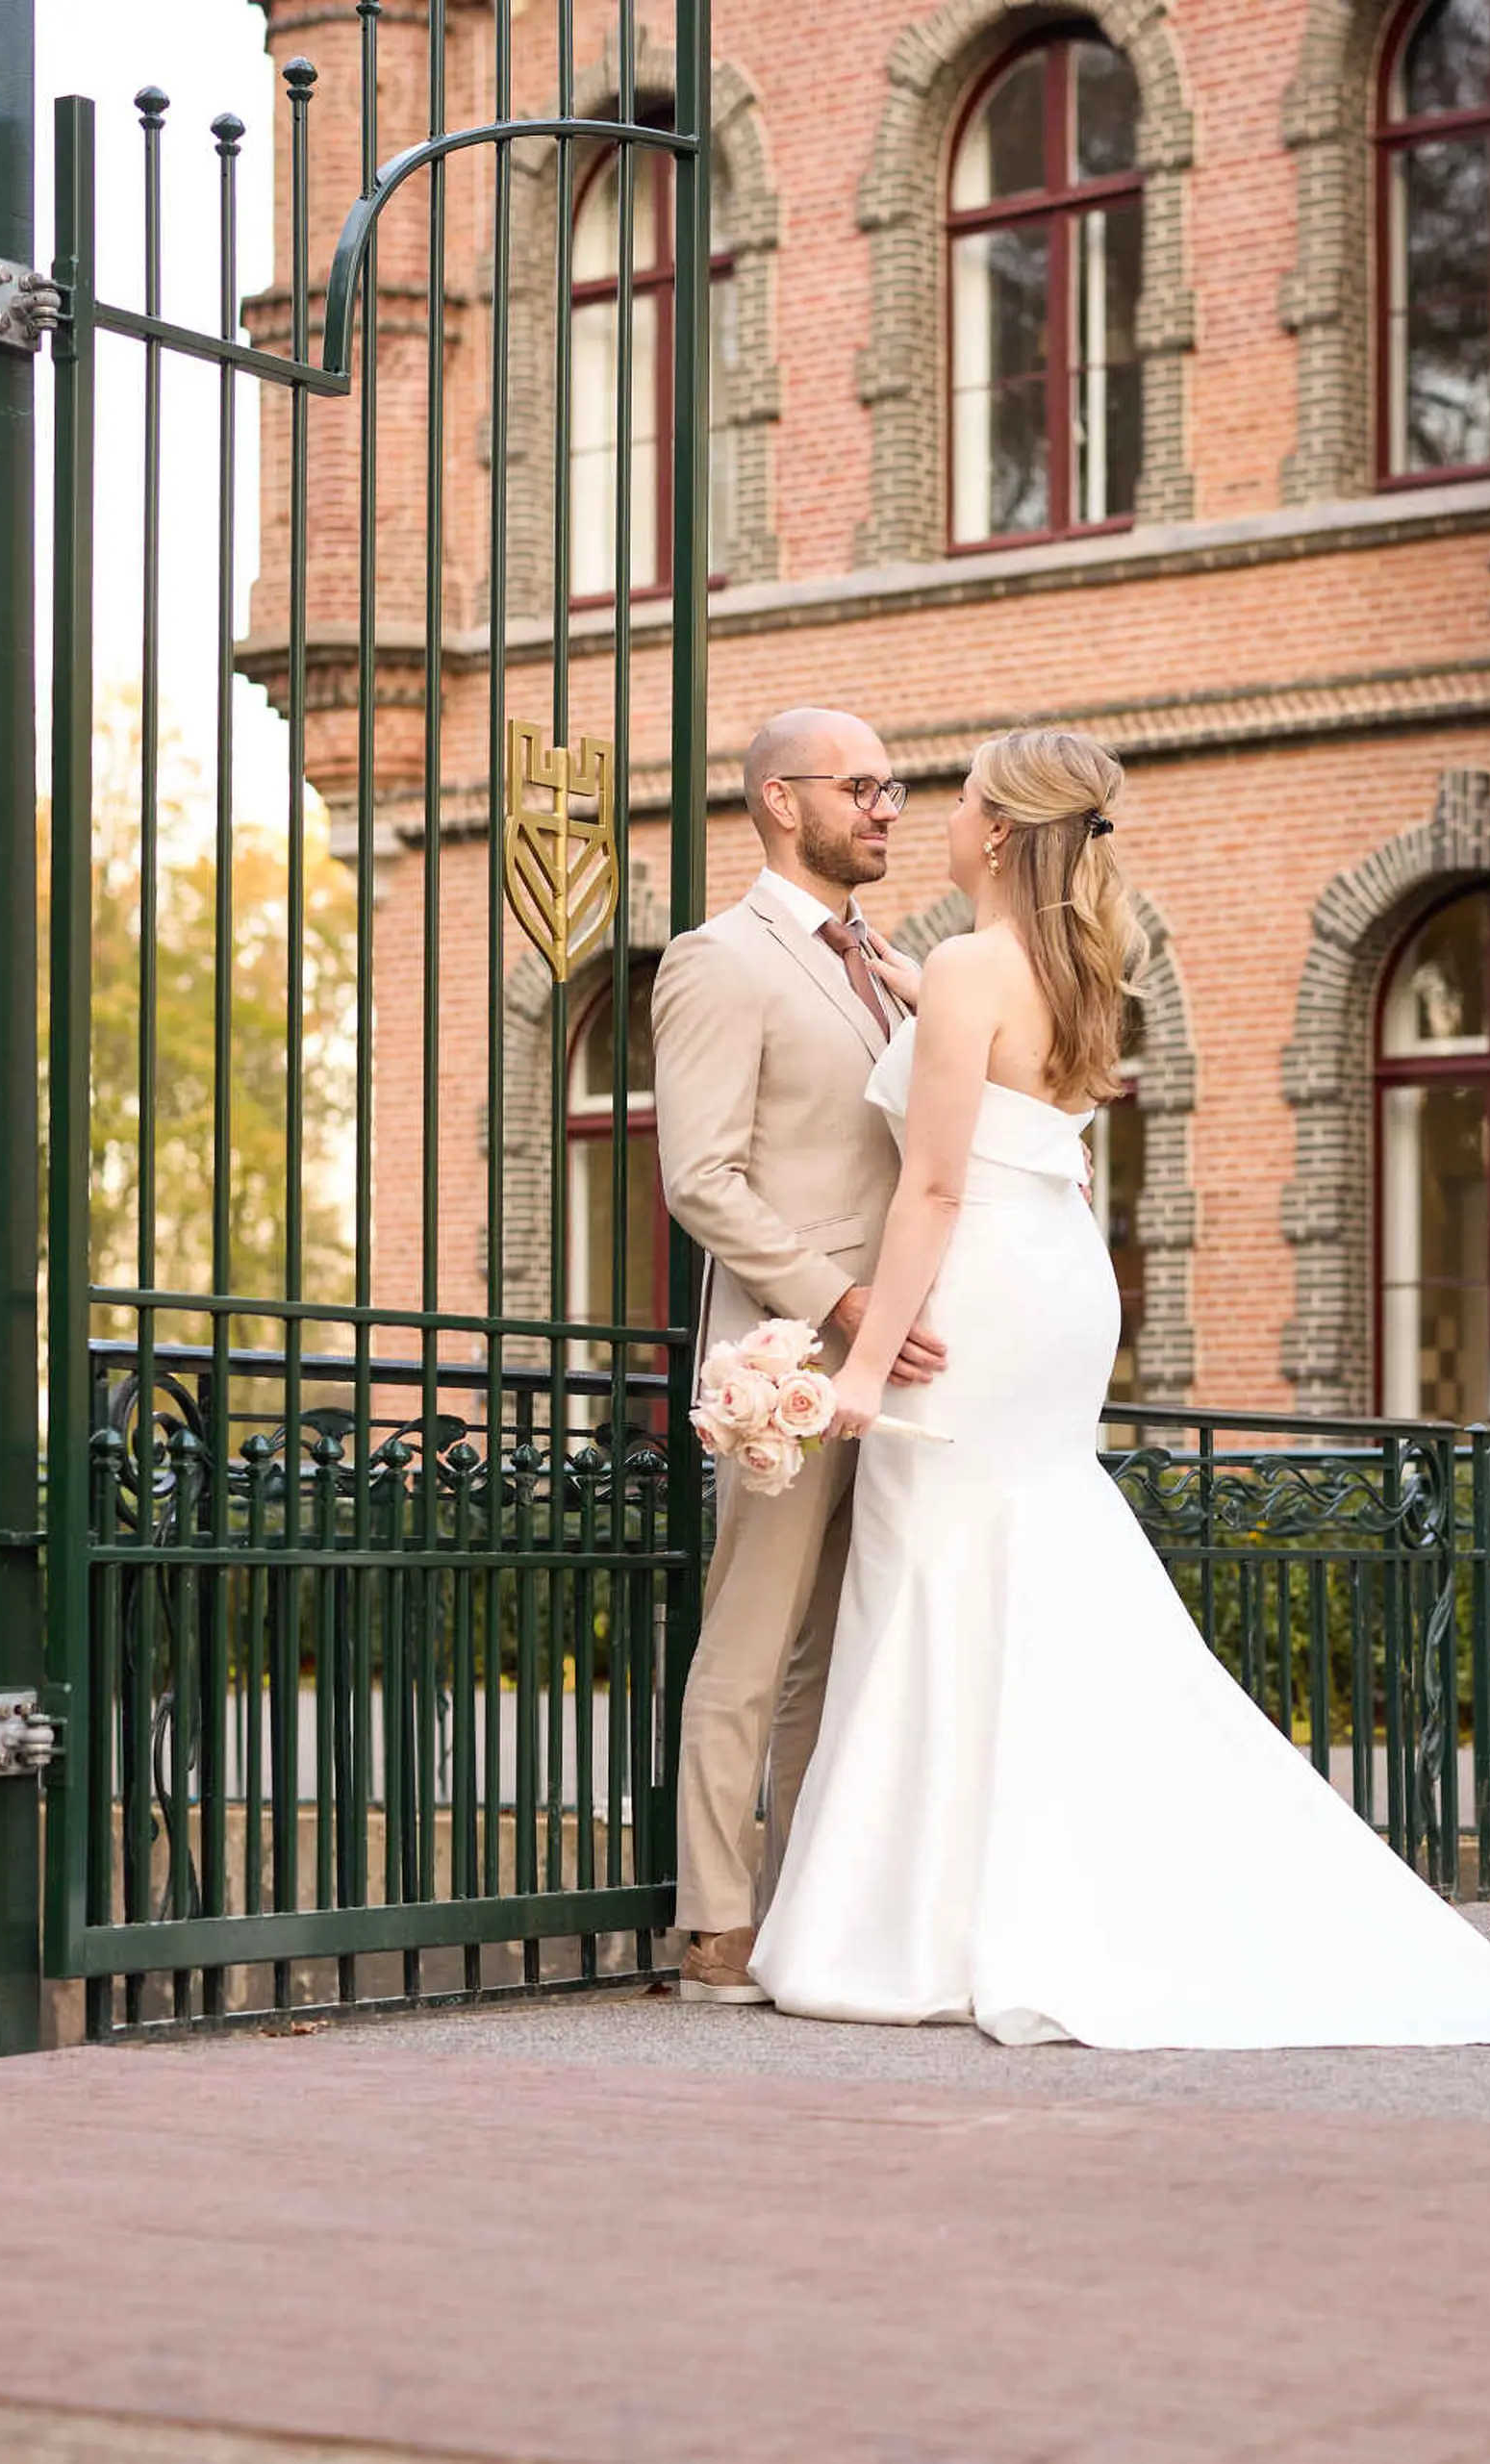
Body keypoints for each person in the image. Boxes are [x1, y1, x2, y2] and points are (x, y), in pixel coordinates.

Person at [746, 727, 1490, 2048]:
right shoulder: (1071, 965)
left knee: (940, 1570)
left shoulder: (964, 967)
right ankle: (1008, 1899)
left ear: (998, 829)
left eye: (956, 798)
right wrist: (906, 986)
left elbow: (937, 1187)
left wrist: (863, 1366)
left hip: (980, 1292)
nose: (934, 815)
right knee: (1022, 1561)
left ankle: (918, 1925)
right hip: (1056, 1286)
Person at [648, 707, 939, 2003]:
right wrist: (840, 1302)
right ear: (781, 799)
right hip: (789, 1357)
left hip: (910, 1361)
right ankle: (715, 1922)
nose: (885, 809)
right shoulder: (717, 961)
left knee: (848, 1647)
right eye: (861, 787)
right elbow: (701, 1178)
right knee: (752, 1642)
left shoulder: (892, 962)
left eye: (892, 788)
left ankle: (808, 1908)